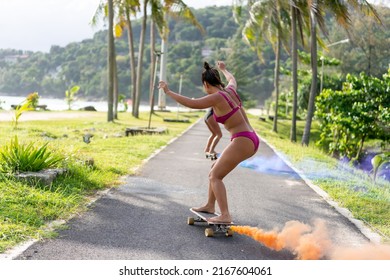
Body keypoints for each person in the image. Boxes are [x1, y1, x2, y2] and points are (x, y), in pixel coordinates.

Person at [158, 61, 259, 223]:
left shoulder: (216, 98)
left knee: (215, 176)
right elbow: (233, 79)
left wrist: (168, 92)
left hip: (243, 140)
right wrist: (224, 69)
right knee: (214, 169)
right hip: (250, 137)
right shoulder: (230, 90)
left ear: (206, 84)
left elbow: (193, 103)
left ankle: (225, 215)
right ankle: (210, 205)